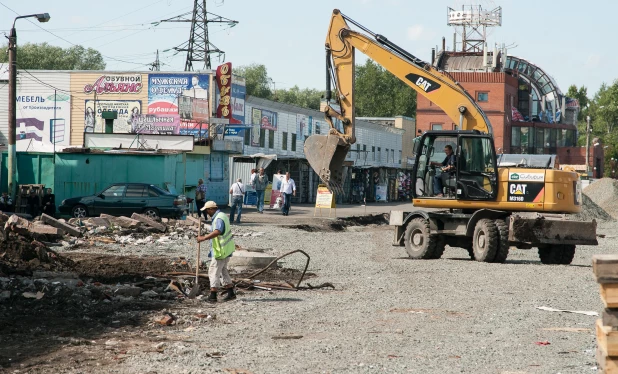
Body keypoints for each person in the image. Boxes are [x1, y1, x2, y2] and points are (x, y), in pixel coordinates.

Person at [197, 201, 236, 303]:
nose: (206, 213)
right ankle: (231, 292)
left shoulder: (218, 218)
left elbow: (217, 231)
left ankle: (213, 295)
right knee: (223, 271)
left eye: (206, 210)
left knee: (213, 271)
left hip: (220, 250)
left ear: (211, 209)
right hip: (225, 249)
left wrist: (204, 238)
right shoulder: (222, 215)